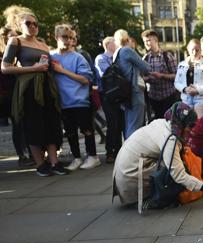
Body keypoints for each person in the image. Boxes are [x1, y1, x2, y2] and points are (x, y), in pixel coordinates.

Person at [113, 102, 203, 207]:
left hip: (125, 172)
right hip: (130, 178)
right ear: (180, 125)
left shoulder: (164, 123)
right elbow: (179, 175)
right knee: (178, 170)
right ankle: (151, 200)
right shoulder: (170, 139)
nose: (192, 131)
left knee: (179, 162)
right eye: (190, 127)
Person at [1, 7, 67, 176]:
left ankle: (55, 162)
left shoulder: (43, 45)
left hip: (47, 87)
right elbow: (5, 68)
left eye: (35, 23)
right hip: (29, 89)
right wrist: (33, 68)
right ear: (18, 25)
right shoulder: (16, 41)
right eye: (28, 23)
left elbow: (48, 67)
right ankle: (40, 165)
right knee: (33, 125)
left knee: (51, 123)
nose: (32, 26)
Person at [51, 24, 100, 171]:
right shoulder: (51, 56)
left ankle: (92, 156)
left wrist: (62, 71)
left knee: (87, 130)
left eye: (71, 38)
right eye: (65, 37)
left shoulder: (78, 57)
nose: (68, 41)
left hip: (80, 101)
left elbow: (86, 79)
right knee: (70, 132)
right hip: (62, 102)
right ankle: (76, 157)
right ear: (56, 37)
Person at [0, 26, 33, 166]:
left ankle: (26, 155)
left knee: (20, 124)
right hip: (3, 95)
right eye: (11, 36)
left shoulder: (18, 53)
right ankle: (22, 154)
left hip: (16, 93)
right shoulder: (3, 55)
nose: (15, 38)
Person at [114, 29, 151, 139]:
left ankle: (128, 152)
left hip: (124, 93)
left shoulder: (117, 53)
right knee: (135, 126)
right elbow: (146, 67)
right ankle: (132, 153)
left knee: (129, 124)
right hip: (134, 91)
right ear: (127, 38)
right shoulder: (127, 50)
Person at [95, 36, 123, 164]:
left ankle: (118, 151)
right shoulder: (101, 58)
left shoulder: (118, 57)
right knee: (112, 124)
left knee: (119, 124)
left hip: (120, 95)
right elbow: (107, 74)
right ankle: (110, 152)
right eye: (114, 42)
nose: (117, 44)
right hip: (108, 95)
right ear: (108, 45)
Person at [141, 30, 179, 120]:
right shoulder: (145, 58)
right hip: (153, 99)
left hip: (169, 97)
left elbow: (177, 76)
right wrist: (146, 79)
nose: (146, 43)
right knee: (158, 125)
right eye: (144, 41)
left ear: (155, 40)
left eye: (148, 41)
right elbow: (142, 77)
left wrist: (161, 76)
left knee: (170, 123)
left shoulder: (167, 56)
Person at [174, 39, 203, 119]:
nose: (194, 52)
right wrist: (185, 89)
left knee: (199, 123)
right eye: (192, 49)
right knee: (186, 122)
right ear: (188, 49)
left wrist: (197, 90)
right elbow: (177, 82)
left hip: (202, 98)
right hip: (186, 99)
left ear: (200, 50)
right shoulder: (182, 64)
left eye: (197, 50)